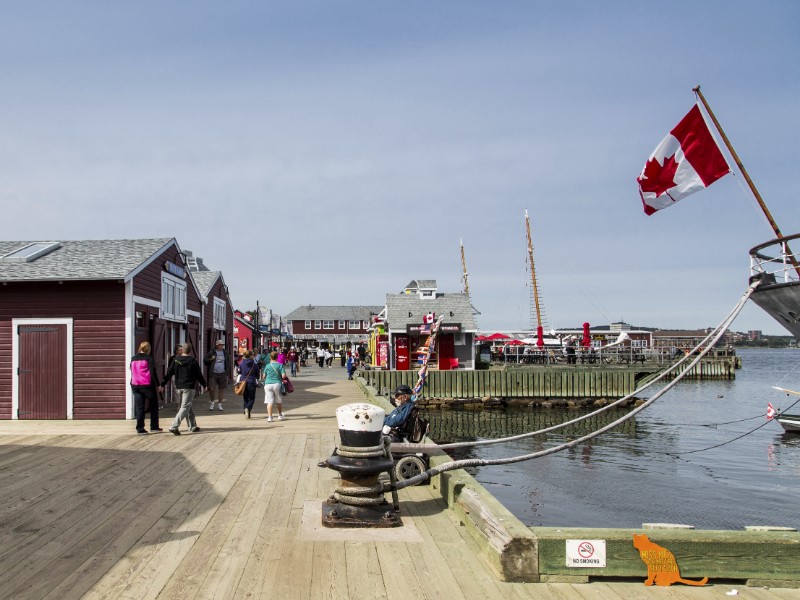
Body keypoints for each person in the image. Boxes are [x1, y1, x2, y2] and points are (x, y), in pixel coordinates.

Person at [162, 343, 207, 435]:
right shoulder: (192, 361)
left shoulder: (175, 360)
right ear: (190, 351)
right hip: (189, 387)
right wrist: (204, 385)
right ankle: (174, 426)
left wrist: (162, 384)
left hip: (179, 387)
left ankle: (192, 426)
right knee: (185, 407)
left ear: (182, 351)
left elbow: (169, 373)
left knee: (187, 406)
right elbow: (198, 374)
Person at [130, 341, 163, 434]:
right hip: (147, 385)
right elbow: (153, 372)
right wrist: (158, 385)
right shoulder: (149, 358)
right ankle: (154, 427)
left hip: (135, 385)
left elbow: (131, 370)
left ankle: (140, 429)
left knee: (139, 407)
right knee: (154, 405)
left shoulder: (133, 358)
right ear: (148, 349)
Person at [261, 350, 288, 422]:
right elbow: (283, 376)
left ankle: (270, 417)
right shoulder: (280, 365)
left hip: (268, 384)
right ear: (277, 357)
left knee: (269, 402)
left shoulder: (267, 365)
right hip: (277, 384)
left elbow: (263, 377)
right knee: (278, 400)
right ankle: (280, 415)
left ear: (270, 357)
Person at [204, 339, 229, 412]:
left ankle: (220, 404)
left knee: (221, 389)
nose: (221, 346)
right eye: (220, 345)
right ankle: (212, 403)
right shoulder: (212, 352)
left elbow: (228, 362)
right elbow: (205, 361)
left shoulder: (225, 353)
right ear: (217, 345)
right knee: (212, 389)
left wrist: (227, 372)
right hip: (213, 373)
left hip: (222, 373)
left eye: (222, 345)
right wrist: (211, 359)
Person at [236, 349, 260, 419]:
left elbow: (239, 372)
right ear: (250, 356)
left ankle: (246, 412)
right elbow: (257, 375)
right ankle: (247, 408)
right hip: (251, 382)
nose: (253, 356)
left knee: (245, 398)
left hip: (243, 382)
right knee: (252, 398)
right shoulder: (254, 365)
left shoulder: (241, 363)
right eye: (252, 355)